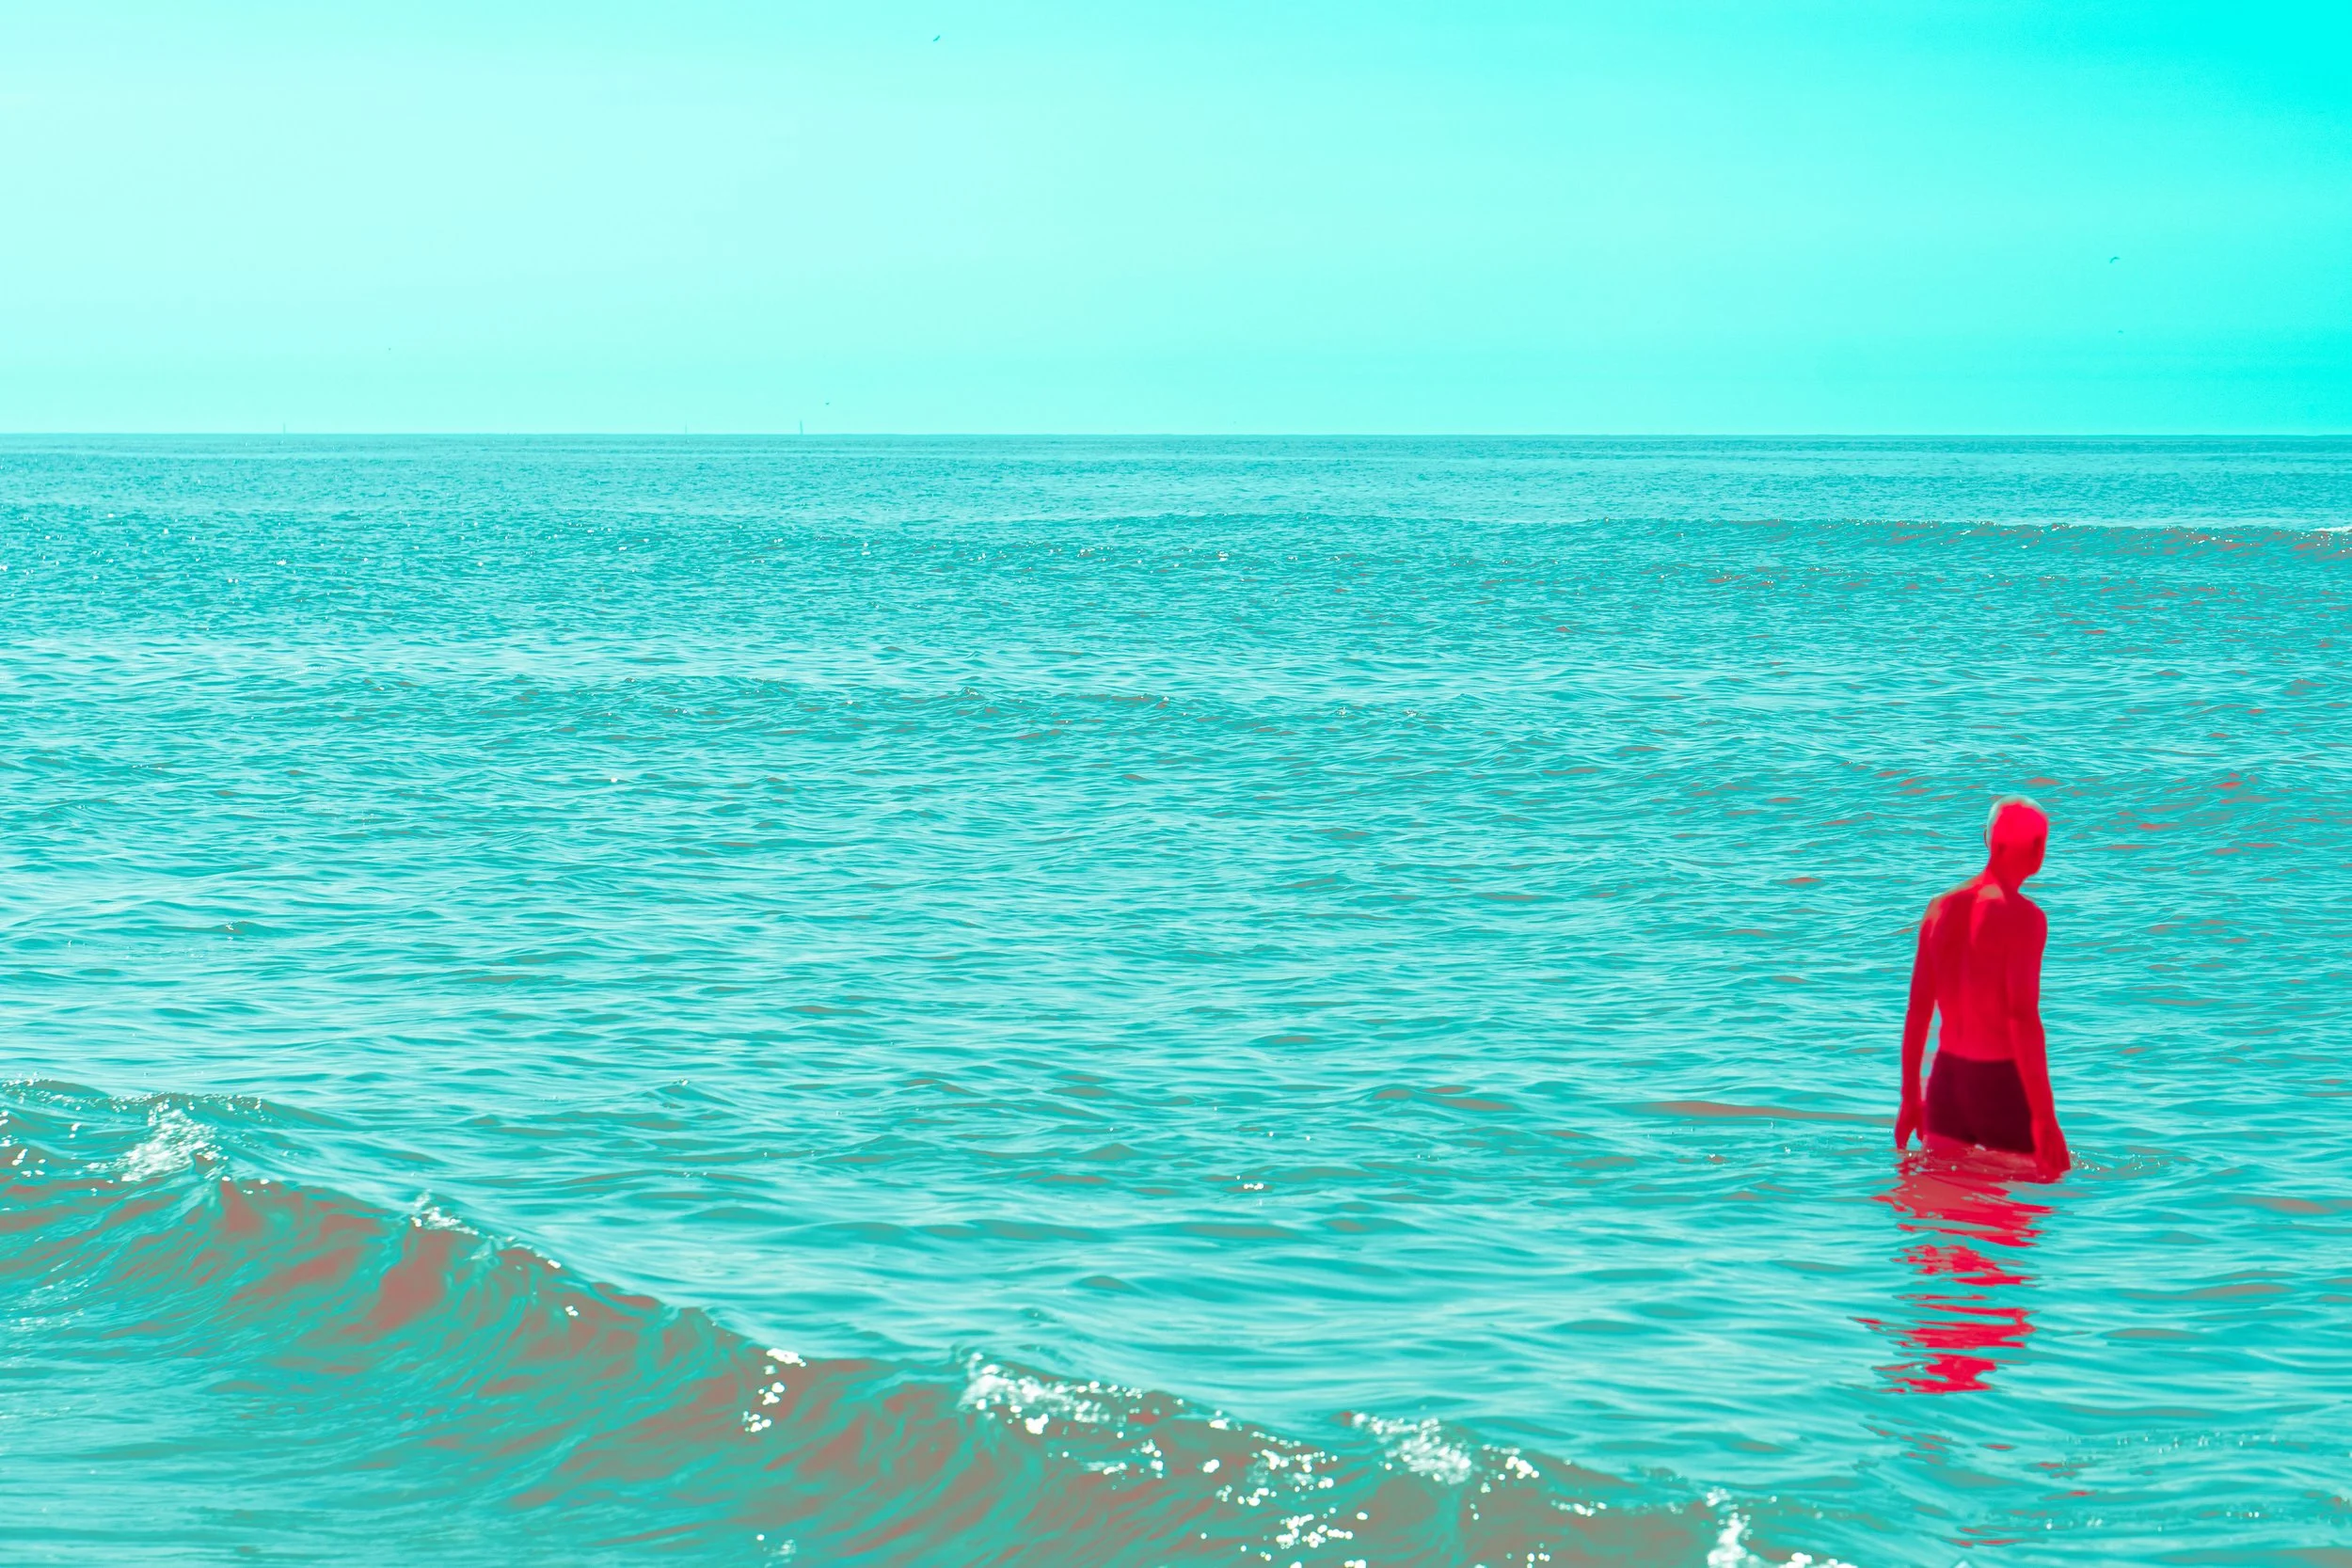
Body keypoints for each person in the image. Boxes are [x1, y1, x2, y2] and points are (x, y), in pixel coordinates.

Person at [1895, 797, 2070, 1180]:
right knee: (2021, 1217)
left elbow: (1919, 1009)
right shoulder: (2025, 918)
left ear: (1987, 839)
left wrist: (1911, 1096)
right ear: (2039, 850)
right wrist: (2044, 1118)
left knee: (1945, 1208)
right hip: (1998, 1084)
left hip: (1947, 1082)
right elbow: (2021, 1017)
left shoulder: (1939, 909)